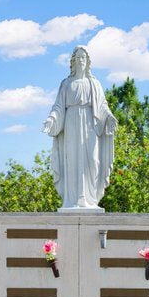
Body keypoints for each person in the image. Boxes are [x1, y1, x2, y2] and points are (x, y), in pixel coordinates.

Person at [42, 47, 117, 210]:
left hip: (91, 124)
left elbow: (103, 106)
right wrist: (51, 119)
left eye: (84, 57)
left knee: (93, 160)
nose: (81, 60)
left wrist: (109, 116)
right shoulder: (67, 83)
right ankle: (72, 200)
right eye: (78, 58)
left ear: (88, 61)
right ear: (73, 62)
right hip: (71, 124)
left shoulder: (94, 84)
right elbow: (58, 106)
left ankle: (90, 200)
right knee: (72, 160)